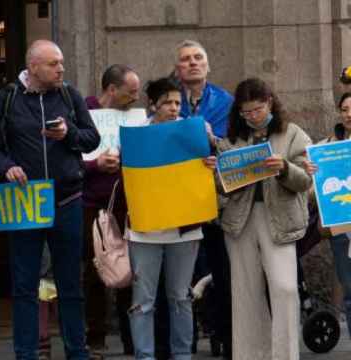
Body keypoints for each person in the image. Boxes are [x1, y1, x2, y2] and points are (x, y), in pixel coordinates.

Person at [0, 39, 100, 359]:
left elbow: (93, 140)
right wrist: (7, 166)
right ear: (32, 66)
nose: (61, 68)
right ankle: (26, 352)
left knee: (70, 283)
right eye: (53, 64)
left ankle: (77, 351)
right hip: (26, 203)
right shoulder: (6, 99)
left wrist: (69, 135)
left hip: (68, 200)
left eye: (61, 62)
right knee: (24, 284)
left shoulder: (69, 95)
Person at [217, 78, 311, 360]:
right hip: (240, 220)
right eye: (246, 112)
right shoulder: (231, 139)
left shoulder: (292, 133)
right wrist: (225, 174)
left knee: (284, 287)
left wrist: (283, 168)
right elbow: (220, 186)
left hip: (279, 218)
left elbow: (306, 180)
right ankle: (250, 355)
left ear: (269, 102)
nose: (252, 116)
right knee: (246, 291)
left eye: (257, 110)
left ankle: (285, 355)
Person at [125, 77, 215, 360]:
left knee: (181, 298)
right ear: (153, 105)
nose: (175, 108)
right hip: (145, 230)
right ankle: (145, 355)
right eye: (168, 103)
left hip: (184, 230)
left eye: (178, 102)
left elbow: (213, 164)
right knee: (143, 301)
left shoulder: (195, 133)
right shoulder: (136, 136)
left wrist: (210, 158)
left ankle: (182, 355)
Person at [174, 39, 233, 358]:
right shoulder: (168, 101)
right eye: (186, 59)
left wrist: (213, 140)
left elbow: (233, 146)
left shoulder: (225, 101)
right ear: (177, 68)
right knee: (183, 273)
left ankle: (221, 335)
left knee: (219, 271)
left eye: (199, 57)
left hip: (215, 201)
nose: (193, 63)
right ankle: (187, 338)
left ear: (208, 66)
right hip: (178, 200)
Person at [83, 64, 139, 358]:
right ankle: (96, 337)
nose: (135, 98)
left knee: (130, 270)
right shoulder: (85, 113)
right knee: (94, 271)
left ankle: (132, 338)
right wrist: (95, 165)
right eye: (131, 92)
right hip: (93, 204)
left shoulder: (134, 118)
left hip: (127, 204)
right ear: (112, 90)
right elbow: (69, 159)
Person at [306, 92, 351, 337]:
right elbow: (313, 193)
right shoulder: (326, 147)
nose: (349, 114)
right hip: (343, 228)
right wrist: (311, 175)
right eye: (344, 109)